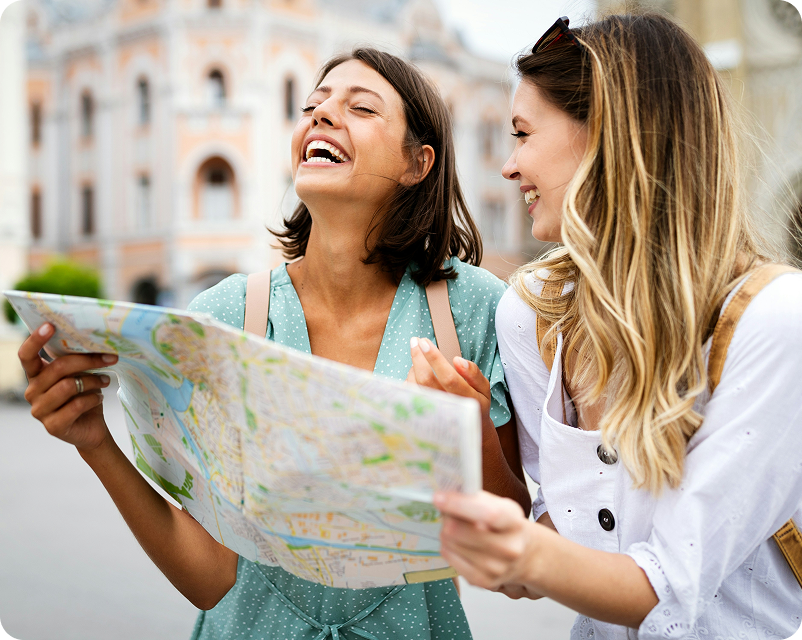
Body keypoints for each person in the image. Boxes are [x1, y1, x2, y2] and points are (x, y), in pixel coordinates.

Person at [17, 48, 530, 639]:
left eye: (360, 107)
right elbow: (210, 578)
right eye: (311, 106)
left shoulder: (474, 308)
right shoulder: (222, 316)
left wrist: (471, 438)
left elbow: (514, 553)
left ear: (418, 163)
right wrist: (94, 442)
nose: (322, 116)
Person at [432, 12, 802, 639]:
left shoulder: (774, 319)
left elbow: (667, 587)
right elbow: (553, 545)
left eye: (523, 134)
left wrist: (523, 552)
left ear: (608, 132)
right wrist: (463, 436)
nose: (509, 166)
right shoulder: (533, 314)